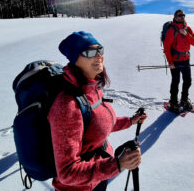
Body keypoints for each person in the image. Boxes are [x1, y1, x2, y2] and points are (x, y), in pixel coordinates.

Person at [48, 31, 147, 191]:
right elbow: (66, 173)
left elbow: (97, 123)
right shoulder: (67, 106)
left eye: (100, 50)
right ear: (75, 59)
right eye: (90, 52)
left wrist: (130, 121)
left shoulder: (91, 88)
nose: (98, 56)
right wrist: (118, 164)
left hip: (98, 177)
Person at [163, 9, 194, 113]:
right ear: (175, 17)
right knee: (176, 82)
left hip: (186, 60)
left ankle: (184, 100)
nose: (182, 17)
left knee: (188, 81)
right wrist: (170, 62)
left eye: (183, 15)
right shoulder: (171, 30)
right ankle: (173, 103)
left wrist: (186, 34)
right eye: (179, 15)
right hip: (175, 61)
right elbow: (166, 47)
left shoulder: (188, 29)